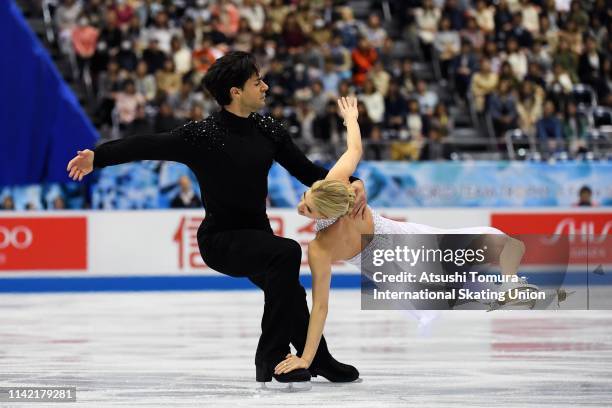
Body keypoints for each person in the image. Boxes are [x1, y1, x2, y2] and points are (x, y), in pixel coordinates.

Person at [66, 52, 365, 385]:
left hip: (257, 236)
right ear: (235, 92)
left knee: (289, 292)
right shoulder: (203, 136)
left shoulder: (268, 131)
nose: (265, 87)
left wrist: (352, 183)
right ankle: (271, 359)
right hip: (221, 241)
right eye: (257, 82)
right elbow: (148, 144)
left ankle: (318, 358)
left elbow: (308, 171)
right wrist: (99, 156)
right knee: (287, 252)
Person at [274, 96, 538, 376]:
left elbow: (320, 308)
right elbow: (354, 149)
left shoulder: (321, 244)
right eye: (305, 199)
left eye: (308, 208)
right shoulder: (334, 188)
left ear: (329, 211)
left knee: (495, 243)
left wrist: (305, 358)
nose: (300, 207)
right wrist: (350, 118)